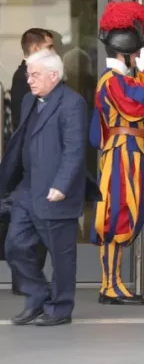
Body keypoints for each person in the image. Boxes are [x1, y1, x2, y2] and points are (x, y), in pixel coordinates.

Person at [0, 49, 89, 326]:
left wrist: (61, 185)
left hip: (55, 191)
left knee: (61, 256)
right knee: (14, 245)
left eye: (35, 74)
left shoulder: (72, 103)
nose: (29, 80)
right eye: (28, 74)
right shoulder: (29, 100)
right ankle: (37, 296)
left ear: (54, 75)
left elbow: (74, 150)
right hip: (27, 188)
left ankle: (60, 308)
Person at [89, 0, 144, 306]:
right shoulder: (114, 82)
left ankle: (114, 282)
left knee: (126, 215)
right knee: (116, 216)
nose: (137, 56)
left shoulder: (119, 80)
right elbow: (142, 101)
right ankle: (110, 286)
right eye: (135, 52)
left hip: (127, 153)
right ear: (125, 53)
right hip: (121, 154)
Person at [7, 28, 54, 296]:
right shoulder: (26, 77)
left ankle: (28, 282)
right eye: (50, 46)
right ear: (35, 49)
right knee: (33, 225)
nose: (54, 52)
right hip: (35, 163)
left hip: (37, 162)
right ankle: (27, 282)